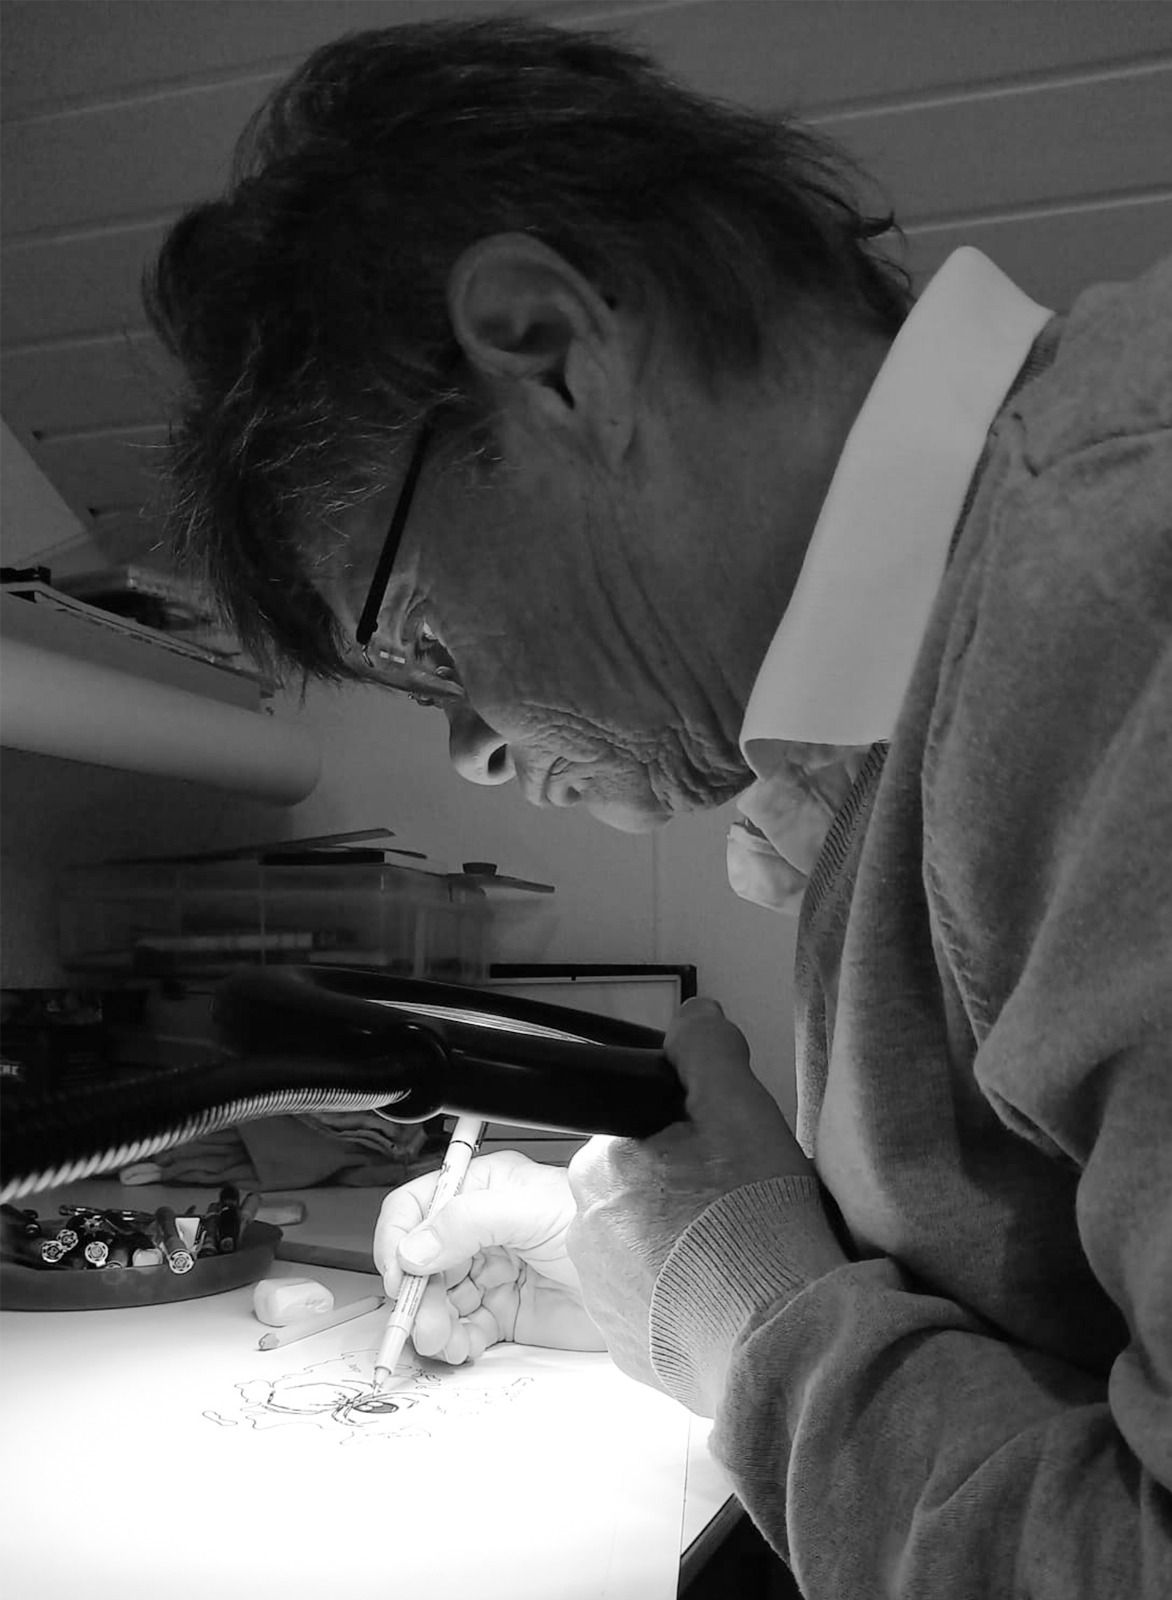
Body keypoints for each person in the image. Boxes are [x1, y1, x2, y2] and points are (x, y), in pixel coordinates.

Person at [144, 18, 1171, 1597]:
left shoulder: (1108, 596)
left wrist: (756, 1323)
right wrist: (651, 1274)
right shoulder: (949, 677)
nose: (473, 751)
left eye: (425, 643)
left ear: (551, 348)